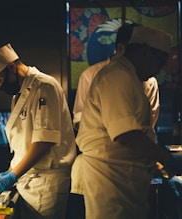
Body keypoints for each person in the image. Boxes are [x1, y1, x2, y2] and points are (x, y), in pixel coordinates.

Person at [71, 26, 173, 219]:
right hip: (110, 179)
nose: (158, 70)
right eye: (159, 62)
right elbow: (126, 134)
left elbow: (143, 128)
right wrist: (165, 158)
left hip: (125, 178)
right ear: (144, 52)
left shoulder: (133, 77)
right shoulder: (117, 76)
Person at [0, 43, 76, 219]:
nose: (0, 87)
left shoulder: (45, 86)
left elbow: (43, 141)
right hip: (28, 180)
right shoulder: (19, 95)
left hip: (46, 182)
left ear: (11, 67)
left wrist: (12, 175)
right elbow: (22, 145)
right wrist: (8, 173)